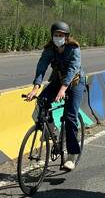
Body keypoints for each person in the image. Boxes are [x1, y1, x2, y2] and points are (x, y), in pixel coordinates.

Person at [24, 21, 85, 171]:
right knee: (42, 101)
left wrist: (63, 89)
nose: (58, 37)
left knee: (70, 117)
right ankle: (51, 130)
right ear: (52, 36)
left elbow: (72, 69)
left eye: (61, 35)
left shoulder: (74, 49)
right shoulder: (49, 50)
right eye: (56, 35)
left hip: (75, 82)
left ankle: (71, 155)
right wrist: (35, 88)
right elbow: (41, 67)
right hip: (58, 80)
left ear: (67, 37)